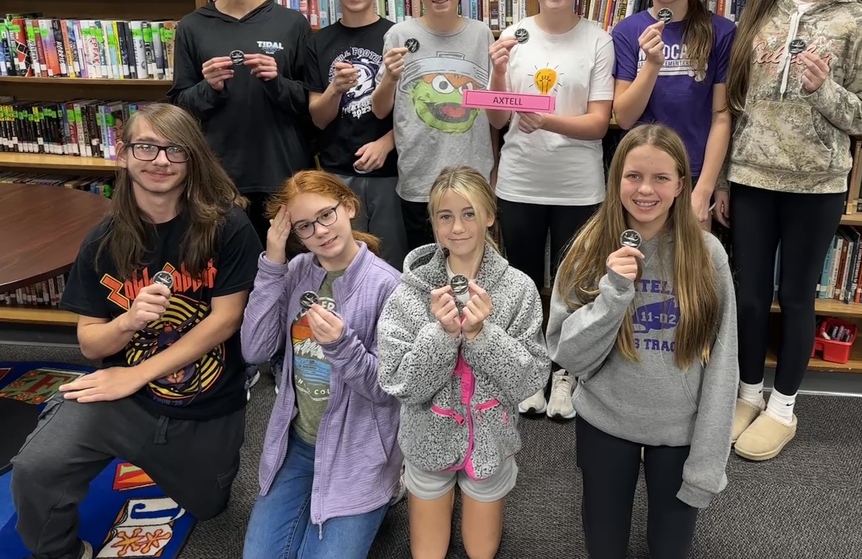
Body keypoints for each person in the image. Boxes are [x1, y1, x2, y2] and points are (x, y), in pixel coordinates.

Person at [11, 103, 262, 559]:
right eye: (146, 147)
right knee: (36, 467)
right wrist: (127, 321)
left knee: (211, 506)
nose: (161, 161)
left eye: (175, 150)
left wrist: (138, 373)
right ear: (123, 155)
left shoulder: (228, 226)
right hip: (120, 400)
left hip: (206, 402)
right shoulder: (102, 241)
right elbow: (90, 343)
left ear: (193, 159)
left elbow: (226, 320)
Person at [723, 0, 862, 461]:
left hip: (817, 182)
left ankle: (783, 405)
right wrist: (722, 180)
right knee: (748, 293)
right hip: (751, 177)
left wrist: (824, 89)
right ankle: (745, 393)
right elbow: (735, 104)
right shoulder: (759, 12)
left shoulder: (856, 20)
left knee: (795, 295)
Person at [546, 123, 738, 559]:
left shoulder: (709, 256)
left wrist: (709, 460)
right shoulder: (588, 248)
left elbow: (724, 363)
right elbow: (567, 354)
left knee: (670, 549)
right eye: (633, 176)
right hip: (606, 422)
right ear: (616, 181)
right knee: (605, 547)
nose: (645, 189)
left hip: (679, 429)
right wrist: (613, 294)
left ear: (680, 186)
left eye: (661, 178)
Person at [377, 166, 549, 559]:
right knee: (427, 553)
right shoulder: (409, 292)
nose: (457, 228)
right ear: (433, 223)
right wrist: (442, 334)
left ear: (490, 215)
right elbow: (399, 383)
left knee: (480, 551)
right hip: (427, 441)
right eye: (445, 216)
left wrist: (481, 336)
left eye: (469, 213)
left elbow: (530, 379)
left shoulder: (519, 289)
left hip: (491, 442)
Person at [240, 170, 402, 559]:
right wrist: (273, 263)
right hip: (297, 444)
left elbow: (386, 390)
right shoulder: (297, 271)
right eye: (305, 226)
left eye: (326, 215)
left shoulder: (389, 286)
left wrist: (342, 345)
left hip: (358, 454)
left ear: (348, 206)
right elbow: (255, 350)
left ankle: (391, 485)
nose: (320, 232)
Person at [487, 0, 613, 420]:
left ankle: (565, 374)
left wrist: (550, 120)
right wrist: (498, 73)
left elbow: (599, 124)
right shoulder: (512, 36)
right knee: (520, 282)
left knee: (573, 285)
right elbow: (498, 121)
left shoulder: (598, 39)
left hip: (579, 187)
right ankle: (528, 372)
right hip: (520, 182)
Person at [169, 0, 314, 242]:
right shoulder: (192, 27)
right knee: (230, 273)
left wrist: (277, 82)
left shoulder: (291, 23)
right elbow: (179, 109)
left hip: (283, 173)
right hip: (220, 177)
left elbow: (312, 104)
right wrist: (210, 88)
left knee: (290, 273)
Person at [370, 0, 495, 251]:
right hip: (419, 178)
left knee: (474, 259)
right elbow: (380, 110)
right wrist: (390, 78)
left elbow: (494, 113)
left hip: (472, 175)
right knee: (427, 265)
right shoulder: (399, 35)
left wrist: (493, 167)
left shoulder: (482, 34)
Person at [611, 0, 735, 227]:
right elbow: (625, 117)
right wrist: (652, 64)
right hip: (642, 176)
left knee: (690, 269)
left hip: (693, 174)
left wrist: (705, 188)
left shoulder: (721, 31)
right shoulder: (627, 31)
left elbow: (721, 116)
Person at [306, 0, 407, 270]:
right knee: (341, 265)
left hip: (390, 173)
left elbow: (416, 111)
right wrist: (334, 88)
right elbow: (318, 118)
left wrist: (387, 143)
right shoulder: (318, 42)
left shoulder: (398, 36)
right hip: (336, 172)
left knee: (390, 265)